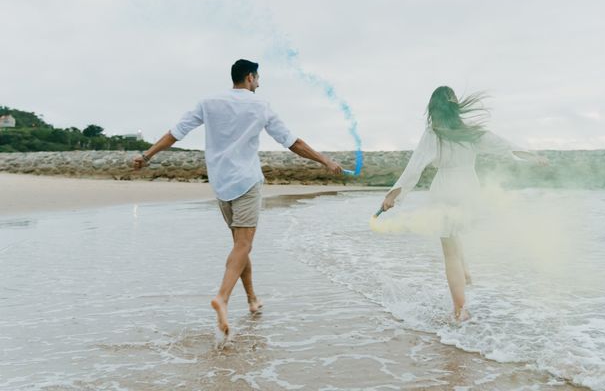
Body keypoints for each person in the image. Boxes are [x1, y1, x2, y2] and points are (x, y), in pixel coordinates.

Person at [133, 59, 343, 335]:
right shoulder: (260, 106)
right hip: (246, 182)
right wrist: (325, 161)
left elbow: (176, 133)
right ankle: (222, 297)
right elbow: (293, 143)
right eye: (258, 78)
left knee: (239, 246)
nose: (259, 83)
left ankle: (252, 300)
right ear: (249, 78)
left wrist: (147, 155)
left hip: (220, 184)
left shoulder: (208, 102)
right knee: (243, 246)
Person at [379, 86, 546, 321]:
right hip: (468, 188)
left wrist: (392, 196)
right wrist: (533, 157)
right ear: (455, 107)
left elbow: (415, 167)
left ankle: (460, 310)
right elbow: (504, 146)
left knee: (449, 251)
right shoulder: (470, 133)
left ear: (433, 109)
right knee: (454, 233)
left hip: (445, 187)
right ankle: (465, 272)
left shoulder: (433, 133)